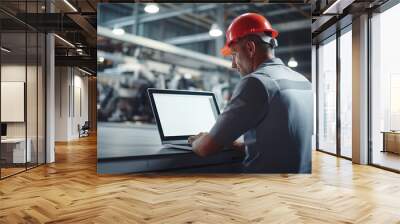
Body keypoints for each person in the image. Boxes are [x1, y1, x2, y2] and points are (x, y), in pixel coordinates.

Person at [188, 13, 313, 173]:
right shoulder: (303, 81)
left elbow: (205, 148)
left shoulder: (256, 82)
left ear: (250, 48)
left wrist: (197, 141)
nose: (233, 65)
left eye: (234, 54)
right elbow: (283, 145)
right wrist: (232, 143)